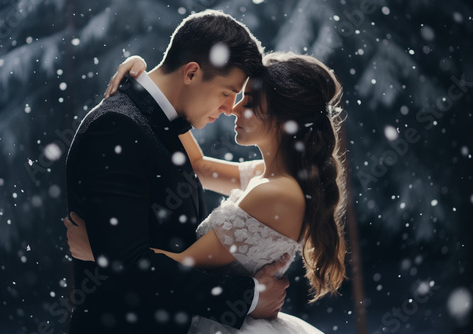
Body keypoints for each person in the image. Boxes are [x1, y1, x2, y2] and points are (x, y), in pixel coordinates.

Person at [65, 51, 348, 333]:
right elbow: (198, 166)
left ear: (283, 118)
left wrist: (100, 250)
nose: (234, 109)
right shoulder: (268, 176)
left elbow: (184, 263)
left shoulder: (274, 193)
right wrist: (152, 87)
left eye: (248, 102)